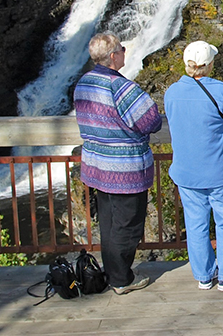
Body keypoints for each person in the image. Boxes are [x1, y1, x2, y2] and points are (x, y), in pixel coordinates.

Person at [74, 31, 162, 295]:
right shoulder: (121, 87)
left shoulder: (84, 83)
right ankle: (122, 280)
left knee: (110, 224)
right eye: (122, 49)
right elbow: (151, 120)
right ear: (113, 56)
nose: (125, 52)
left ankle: (113, 273)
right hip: (125, 170)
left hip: (97, 166)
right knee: (128, 225)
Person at [164, 40, 223, 292]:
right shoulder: (219, 91)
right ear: (209, 64)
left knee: (196, 224)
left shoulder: (172, 92)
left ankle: (204, 275)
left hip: (186, 172)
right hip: (219, 172)